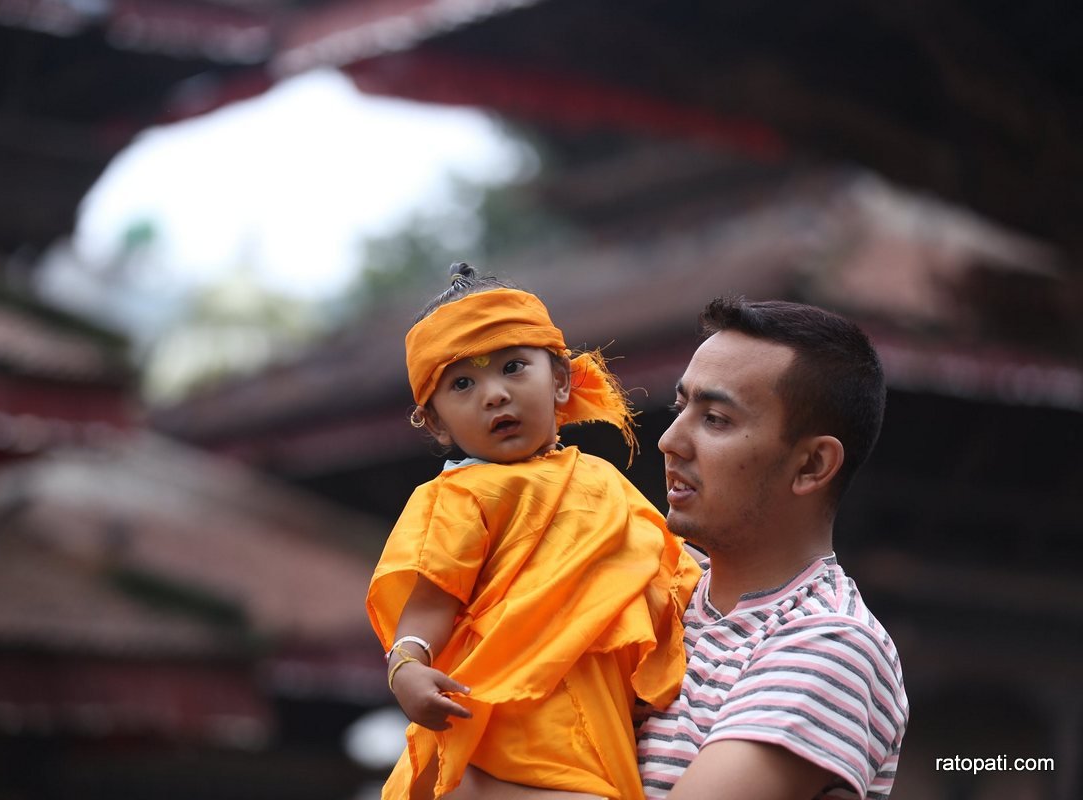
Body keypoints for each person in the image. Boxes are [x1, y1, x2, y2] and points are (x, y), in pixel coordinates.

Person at [367, 264, 702, 799]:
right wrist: (406, 669)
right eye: (462, 384)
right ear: (436, 422)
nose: (494, 395)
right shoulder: (460, 497)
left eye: (514, 367)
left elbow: (666, 570)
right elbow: (429, 606)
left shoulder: (600, 481)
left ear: (562, 380)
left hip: (599, 710)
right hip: (511, 722)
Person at [636, 296, 909, 799]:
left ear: (811, 465)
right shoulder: (649, 589)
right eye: (681, 408)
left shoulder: (833, 644)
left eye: (715, 419)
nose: (670, 440)